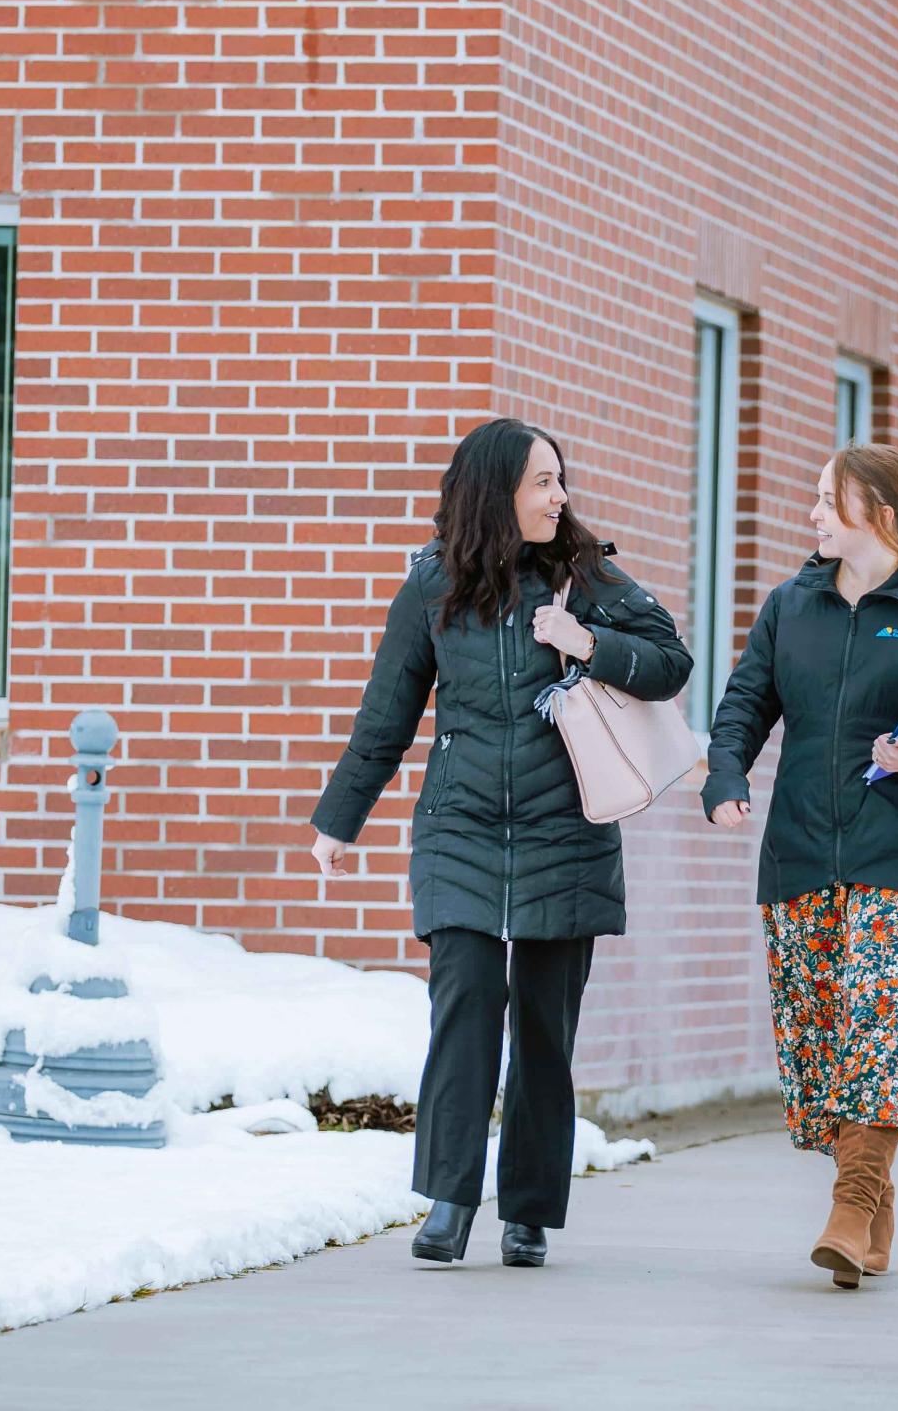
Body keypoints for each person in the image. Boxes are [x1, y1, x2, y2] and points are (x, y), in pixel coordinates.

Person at [311, 417, 692, 1269]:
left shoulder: (584, 574)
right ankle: (450, 1197)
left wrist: (587, 643)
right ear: (496, 493)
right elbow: (387, 713)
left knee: (545, 1033)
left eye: (561, 480)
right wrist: (339, 819)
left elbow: (672, 661)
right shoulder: (432, 585)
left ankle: (528, 1211)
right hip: (461, 831)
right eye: (542, 483)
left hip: (568, 833)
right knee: (467, 1013)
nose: (560, 497)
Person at [702, 444, 898, 1290]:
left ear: (878, 512)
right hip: (800, 854)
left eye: (826, 499)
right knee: (820, 1049)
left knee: (881, 1034)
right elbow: (741, 711)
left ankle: (849, 1205)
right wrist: (725, 777)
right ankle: (873, 1210)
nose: (811, 513)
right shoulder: (788, 607)